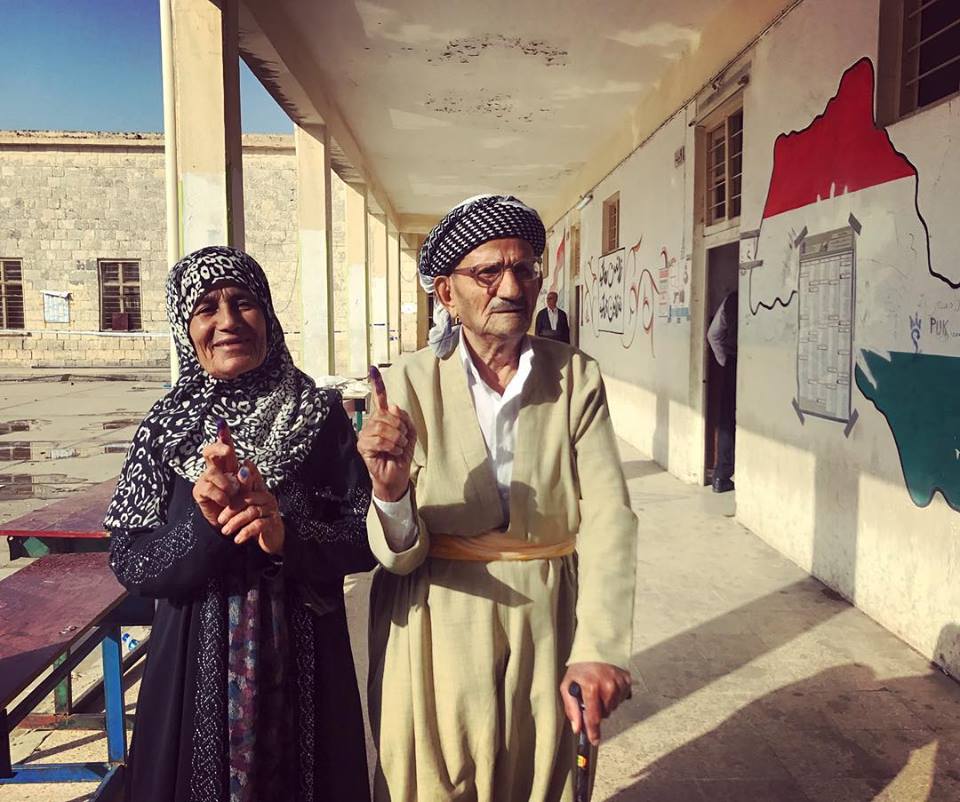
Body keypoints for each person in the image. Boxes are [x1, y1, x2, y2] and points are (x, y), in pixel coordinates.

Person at [357, 195, 637, 801]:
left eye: (526, 270)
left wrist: (599, 647)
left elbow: (611, 513)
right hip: (435, 619)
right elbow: (399, 553)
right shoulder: (404, 383)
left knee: (538, 779)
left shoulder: (574, 377)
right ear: (446, 293)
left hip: (544, 614)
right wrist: (390, 491)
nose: (511, 287)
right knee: (433, 781)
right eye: (488, 272)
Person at [105, 246, 374, 802]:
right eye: (205, 307)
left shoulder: (317, 415)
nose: (227, 320)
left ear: (268, 316)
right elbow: (129, 559)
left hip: (305, 658)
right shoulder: (167, 426)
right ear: (186, 327)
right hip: (192, 668)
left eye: (243, 302)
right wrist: (204, 529)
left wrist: (287, 539)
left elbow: (360, 534)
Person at [706, 289, 738, 493]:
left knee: (727, 421)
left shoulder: (731, 300)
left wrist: (725, 361)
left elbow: (713, 335)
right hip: (762, 366)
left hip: (733, 365)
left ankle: (721, 476)